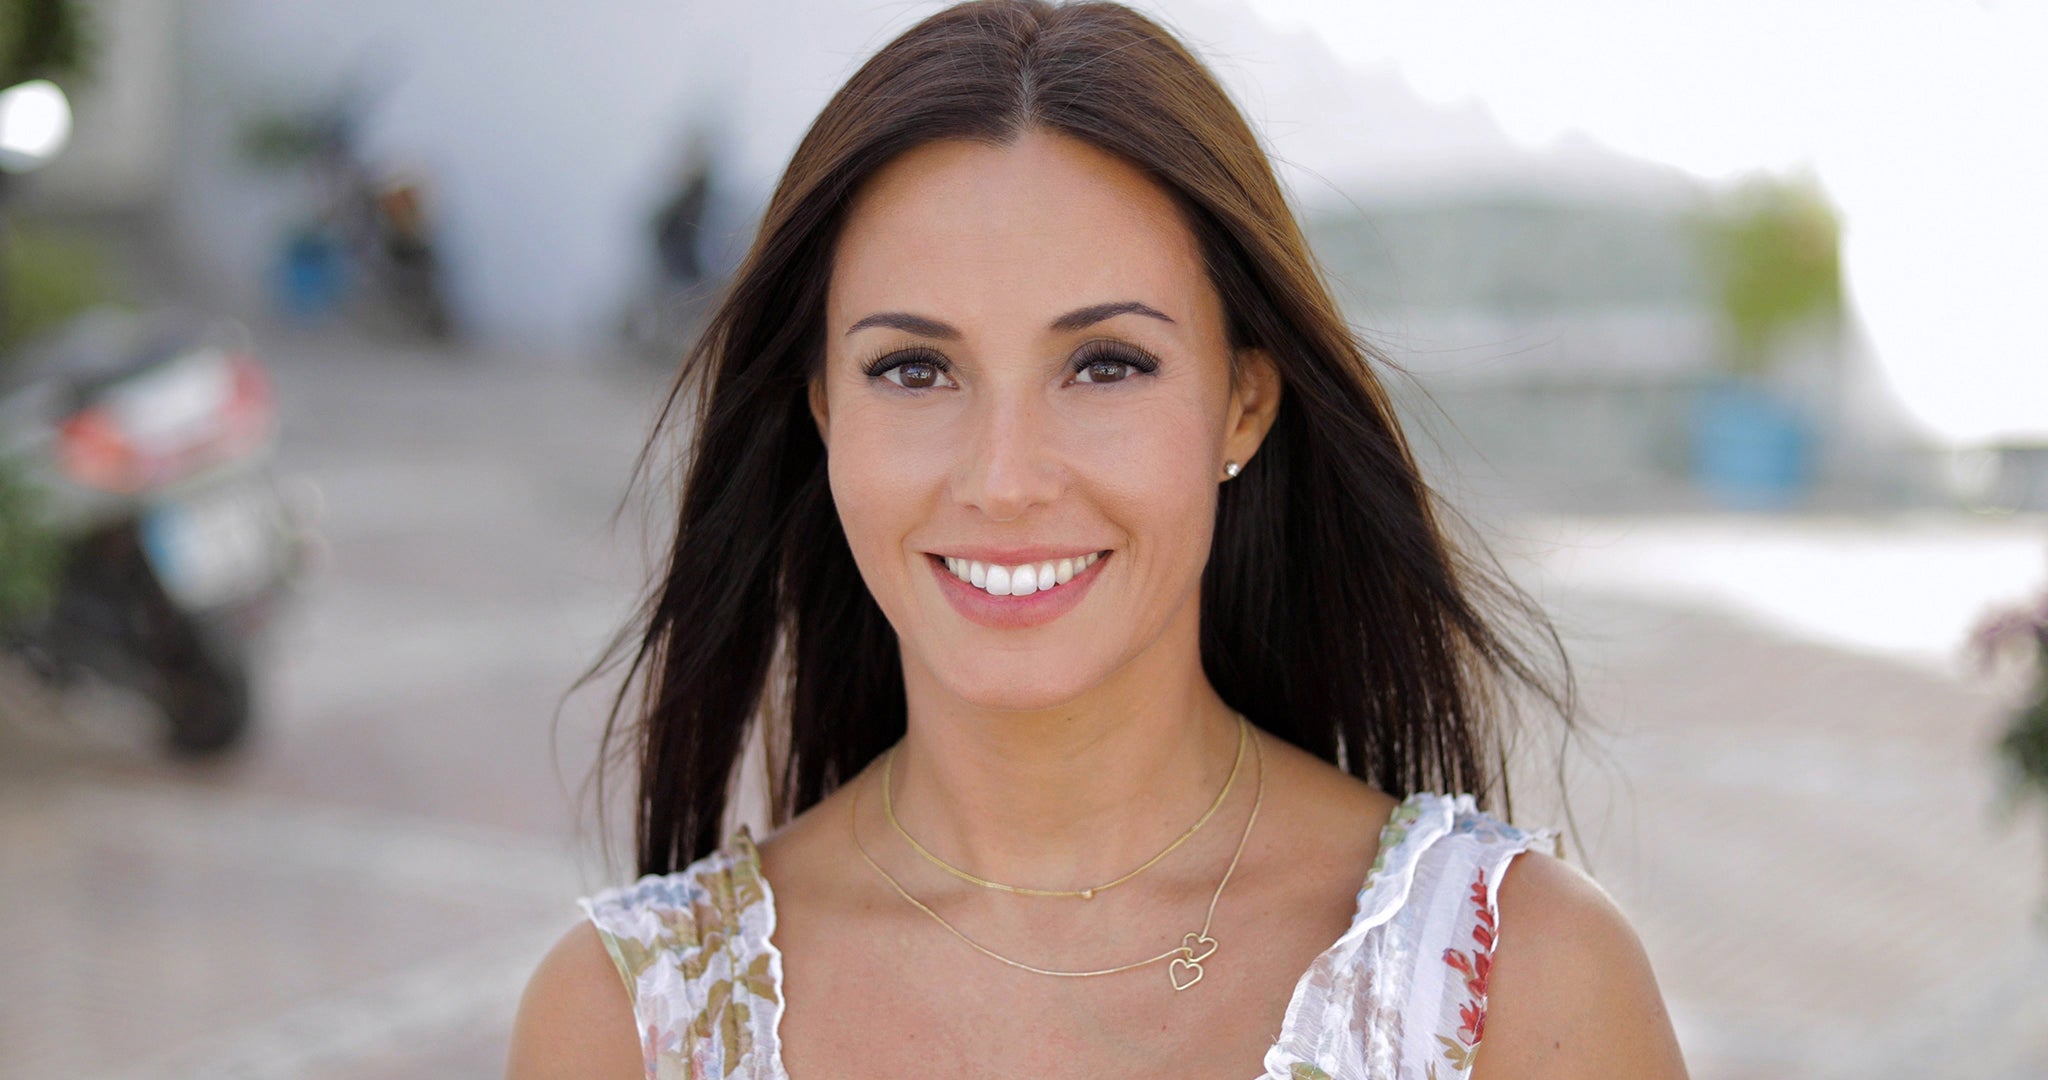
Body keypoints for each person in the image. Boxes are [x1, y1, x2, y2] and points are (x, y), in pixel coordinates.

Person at [508, 1, 1689, 1076]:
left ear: (1242, 403)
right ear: (823, 413)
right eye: (912, 369)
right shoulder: (625, 1024)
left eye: (1105, 364)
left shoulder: (1522, 987)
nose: (1004, 479)